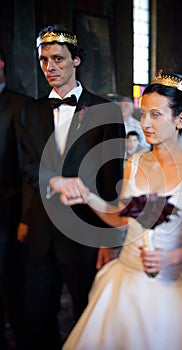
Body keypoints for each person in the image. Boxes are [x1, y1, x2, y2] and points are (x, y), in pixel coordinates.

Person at [62, 72, 182, 350]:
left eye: (155, 114)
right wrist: (88, 197)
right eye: (143, 114)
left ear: (181, 120)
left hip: (172, 284)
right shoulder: (134, 163)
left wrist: (176, 256)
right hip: (126, 277)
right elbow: (120, 218)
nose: (145, 123)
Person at [18, 24, 125, 350]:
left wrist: (109, 238)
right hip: (40, 230)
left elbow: (112, 177)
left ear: (76, 60)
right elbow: (26, 166)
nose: (50, 67)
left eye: (58, 59)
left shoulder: (106, 111)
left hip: (85, 231)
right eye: (44, 60)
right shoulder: (30, 110)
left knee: (87, 309)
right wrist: (50, 183)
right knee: (38, 313)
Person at [0, 48, 32, 349]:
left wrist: (25, 217)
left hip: (8, 212)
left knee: (12, 282)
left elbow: (28, 169)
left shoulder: (20, 104)